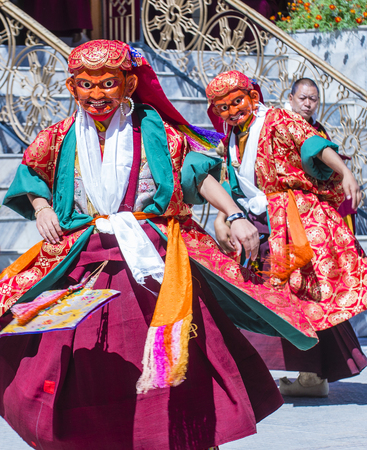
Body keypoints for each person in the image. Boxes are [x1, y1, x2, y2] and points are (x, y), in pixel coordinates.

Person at [0, 40, 290, 450]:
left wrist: (236, 215)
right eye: (86, 84)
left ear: (129, 83)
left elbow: (198, 176)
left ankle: (181, 437)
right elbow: (32, 174)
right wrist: (42, 206)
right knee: (67, 356)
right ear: (71, 87)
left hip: (153, 257)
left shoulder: (157, 131)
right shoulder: (59, 136)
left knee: (175, 357)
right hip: (86, 254)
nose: (96, 95)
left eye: (107, 83)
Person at [208, 70, 367, 397]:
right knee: (275, 299)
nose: (232, 111)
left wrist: (346, 171)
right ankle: (300, 376)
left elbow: (312, 145)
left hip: (292, 220)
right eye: (223, 107)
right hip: (261, 221)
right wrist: (225, 218)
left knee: (303, 297)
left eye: (237, 102)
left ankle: (310, 376)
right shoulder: (233, 137)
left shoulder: (277, 119)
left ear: (252, 97)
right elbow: (234, 182)